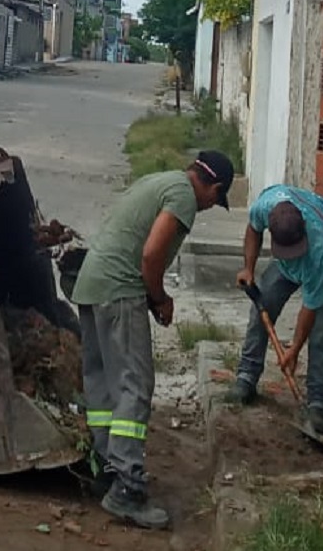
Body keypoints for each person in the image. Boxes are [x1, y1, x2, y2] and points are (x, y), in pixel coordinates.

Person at [70, 148, 235, 529]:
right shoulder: (183, 197)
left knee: (103, 386)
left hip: (91, 286)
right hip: (119, 291)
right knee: (135, 385)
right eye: (217, 199)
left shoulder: (157, 180)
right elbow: (151, 254)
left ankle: (106, 469)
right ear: (214, 186)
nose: (212, 206)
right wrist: (158, 298)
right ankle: (127, 488)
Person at [231, 183, 323, 434]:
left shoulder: (320, 247)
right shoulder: (266, 206)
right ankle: (247, 377)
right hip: (284, 268)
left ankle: (317, 403)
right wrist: (248, 269)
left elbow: (311, 307)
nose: (292, 255)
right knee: (261, 309)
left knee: (322, 333)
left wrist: (293, 349)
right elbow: (253, 229)